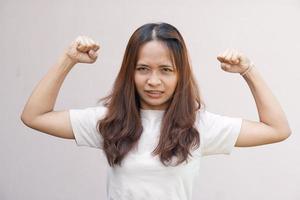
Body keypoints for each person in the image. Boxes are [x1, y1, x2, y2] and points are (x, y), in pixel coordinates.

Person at [20, 22, 291, 200]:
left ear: (180, 74)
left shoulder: (199, 126)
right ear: (130, 72)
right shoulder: (110, 122)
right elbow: (34, 116)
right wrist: (68, 59)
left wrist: (248, 71)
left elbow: (277, 129)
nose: (153, 81)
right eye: (143, 69)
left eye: (165, 70)